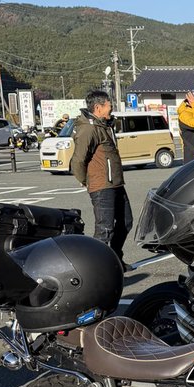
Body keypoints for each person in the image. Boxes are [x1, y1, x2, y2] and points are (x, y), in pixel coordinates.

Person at [71, 89, 133, 269]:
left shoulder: (103, 125)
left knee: (125, 222)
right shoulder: (88, 128)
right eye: (109, 105)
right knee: (105, 229)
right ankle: (96, 269)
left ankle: (114, 259)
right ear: (98, 107)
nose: (111, 108)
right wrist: (86, 181)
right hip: (101, 185)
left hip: (115, 183)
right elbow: (78, 160)